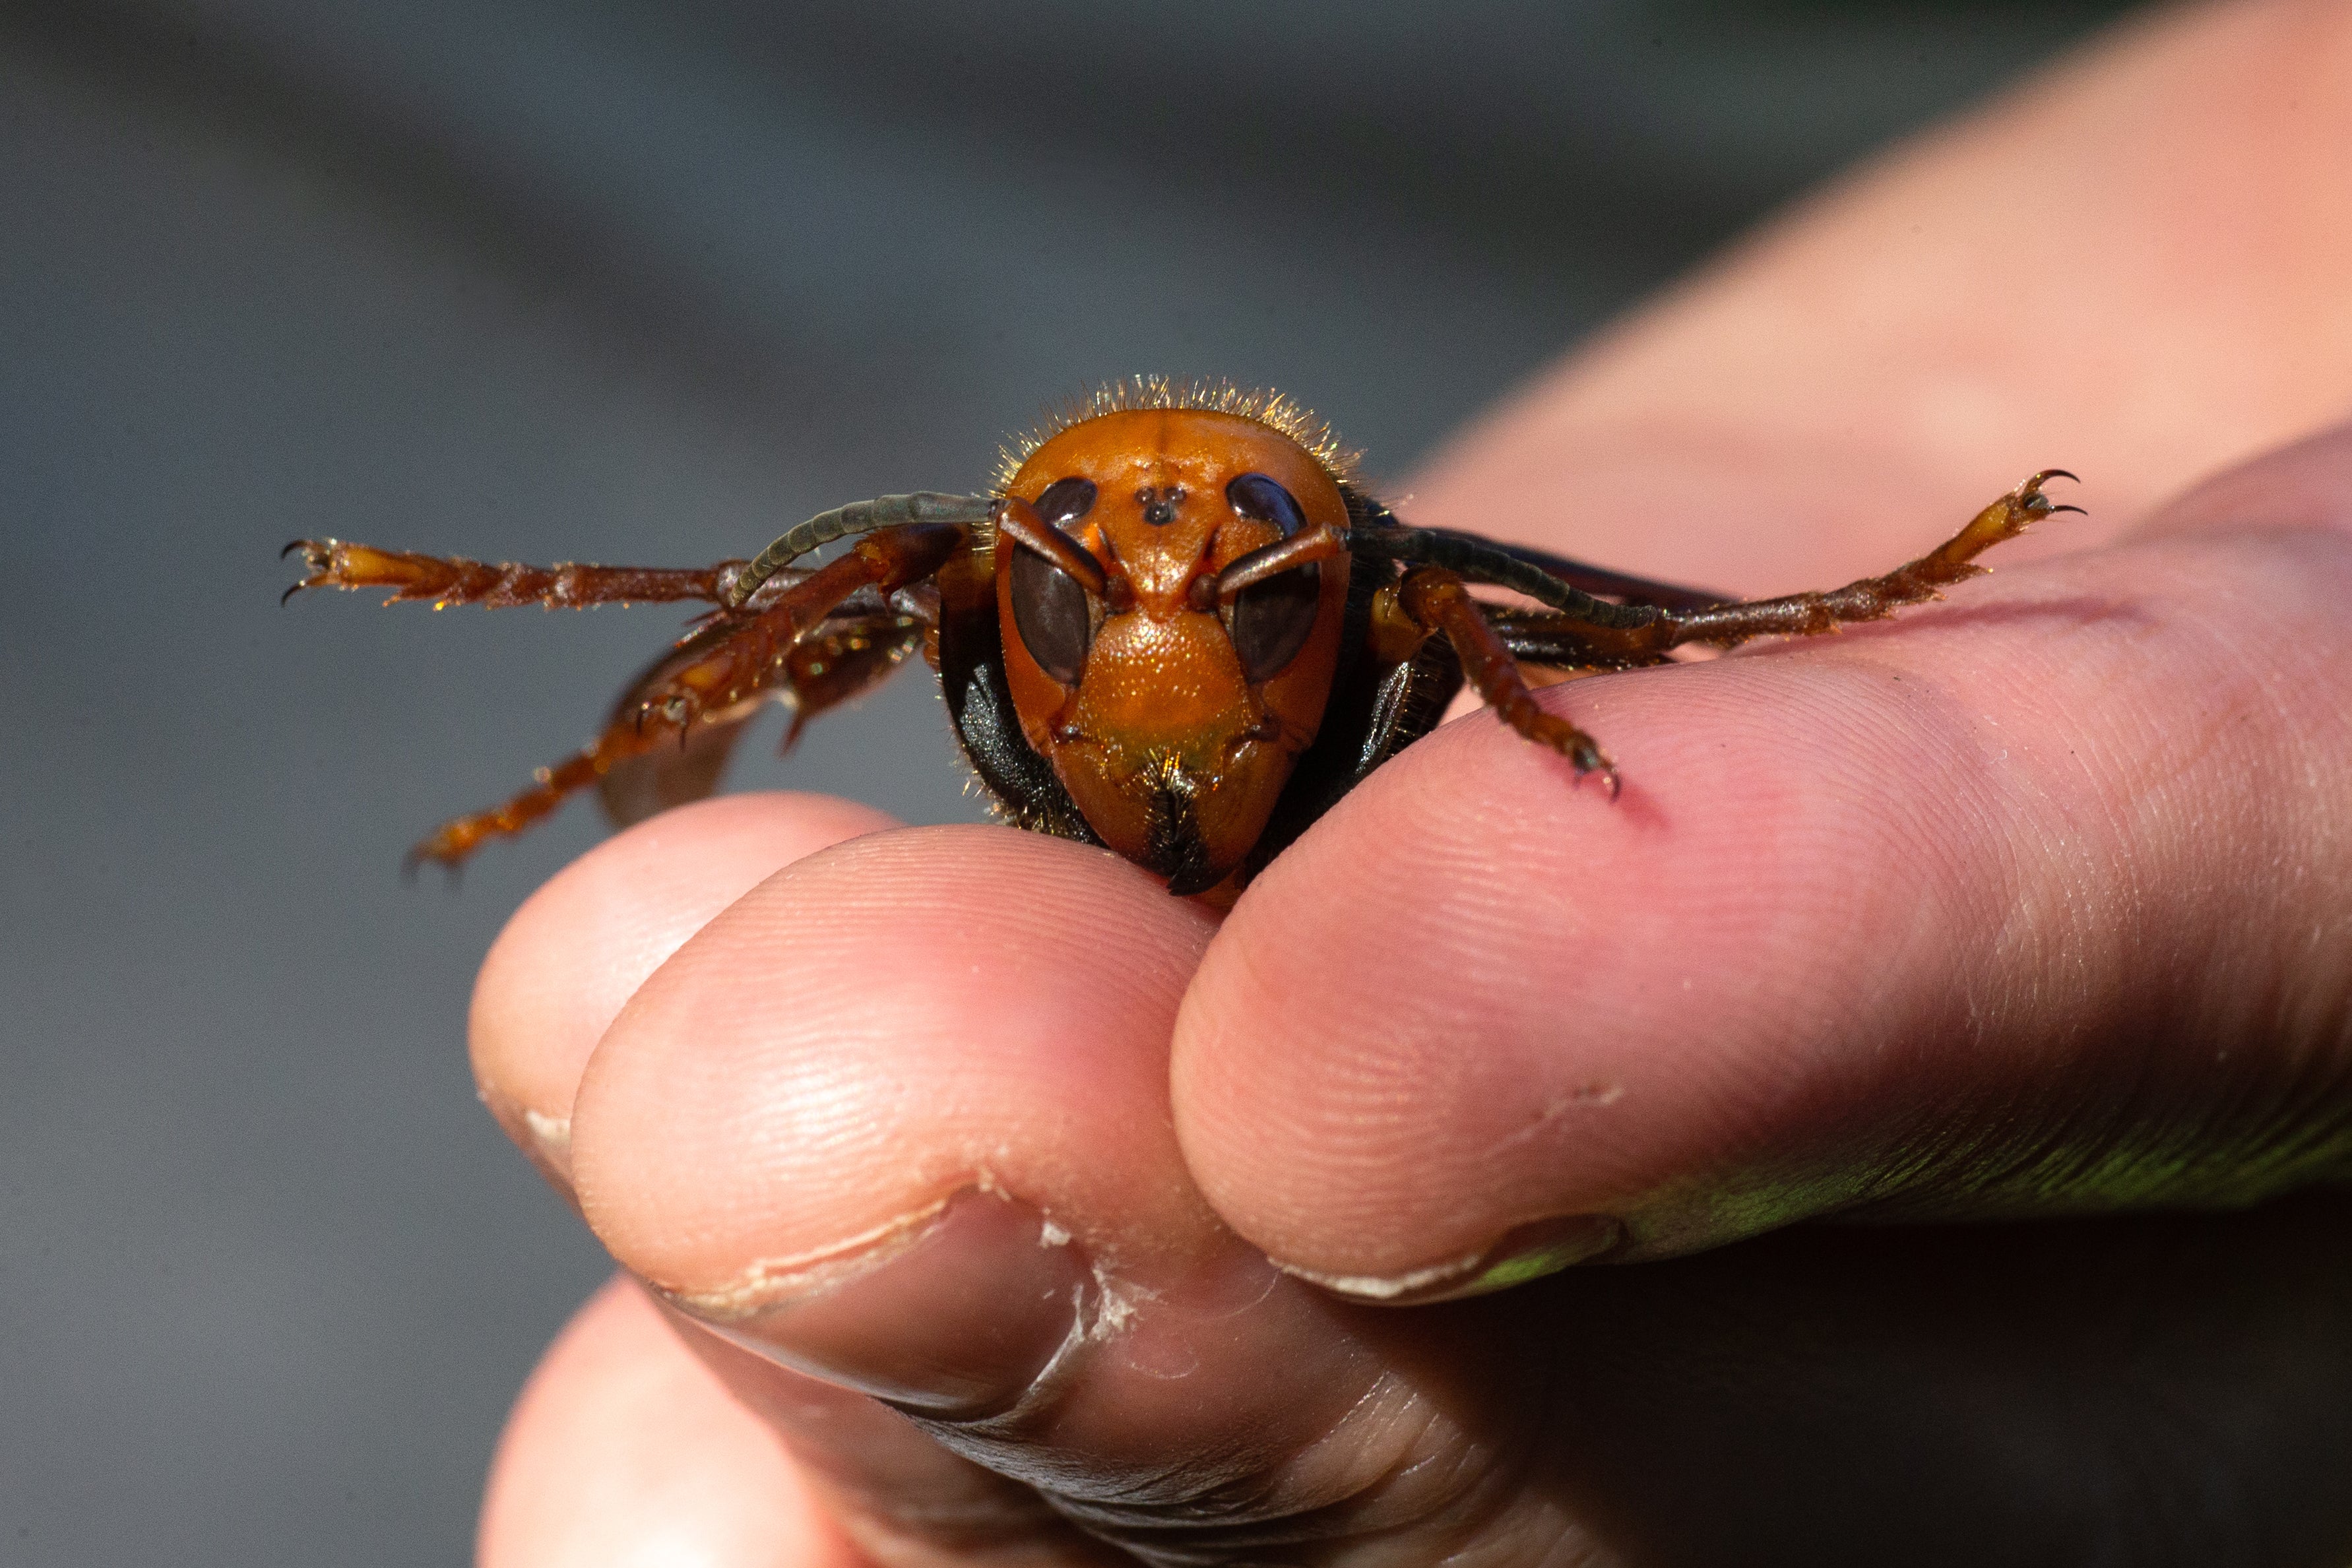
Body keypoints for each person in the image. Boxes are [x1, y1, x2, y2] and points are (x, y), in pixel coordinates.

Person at [468, 1, 2352, 1561]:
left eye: (1242, 585)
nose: (1160, 648)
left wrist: (1846, 613)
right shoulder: (955, 583)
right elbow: (819, 596)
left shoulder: (1405, 596)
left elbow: (1589, 611)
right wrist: (600, 654)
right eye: (1080, 583)